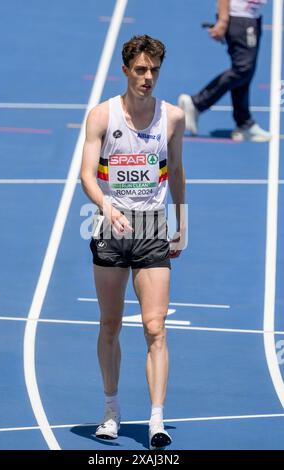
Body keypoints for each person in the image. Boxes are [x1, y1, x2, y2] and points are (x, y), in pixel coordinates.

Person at [81, 34, 186, 450]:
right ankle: (111, 410)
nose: (148, 78)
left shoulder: (172, 117)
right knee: (110, 324)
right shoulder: (102, 117)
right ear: (126, 70)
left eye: (154, 71)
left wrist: (182, 221)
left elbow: (176, 171)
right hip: (111, 227)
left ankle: (156, 419)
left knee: (155, 327)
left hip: (152, 228)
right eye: (140, 70)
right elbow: (88, 174)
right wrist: (106, 206)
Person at [178, 0, 270, 141]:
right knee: (243, 69)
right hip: (240, 17)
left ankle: (244, 123)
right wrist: (223, 20)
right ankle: (196, 103)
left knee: (245, 71)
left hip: (251, 17)